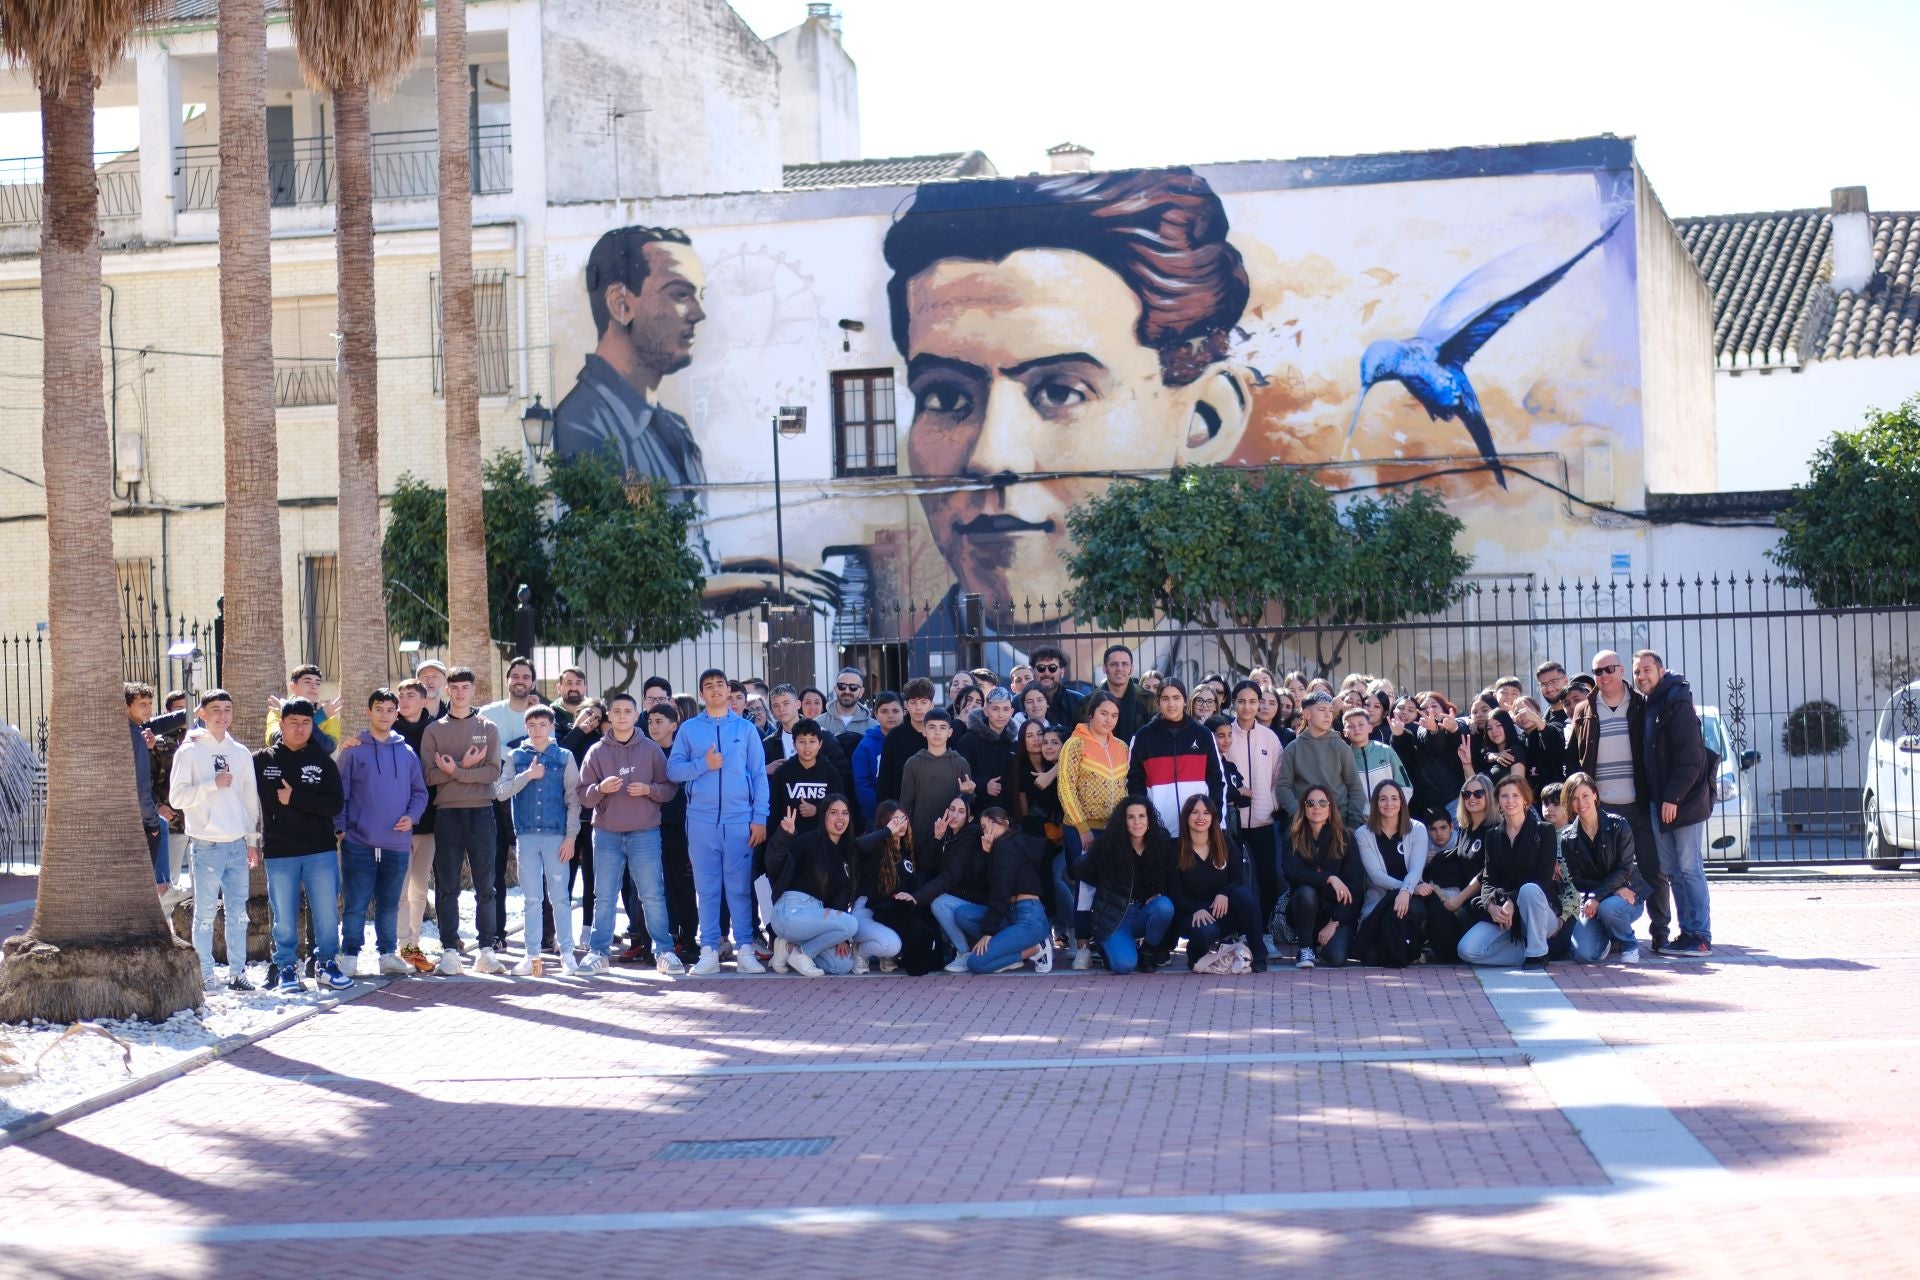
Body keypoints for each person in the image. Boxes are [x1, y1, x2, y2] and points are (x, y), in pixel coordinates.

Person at [886, 168, 1251, 621]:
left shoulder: (1246, 676)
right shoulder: (910, 677)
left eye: (1061, 391)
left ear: (1204, 419)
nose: (992, 457)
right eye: (944, 397)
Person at [553, 226, 709, 508]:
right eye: (681, 294)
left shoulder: (677, 429)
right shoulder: (582, 424)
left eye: (700, 295)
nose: (699, 313)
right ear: (620, 304)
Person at [666, 668, 771, 975]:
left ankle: (745, 950)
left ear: (729, 692)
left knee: (739, 888)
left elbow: (760, 775)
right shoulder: (688, 730)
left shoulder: (746, 729)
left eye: (720, 685)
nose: (715, 690)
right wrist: (703, 764)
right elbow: (673, 771)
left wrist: (760, 818)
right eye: (708, 686)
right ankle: (709, 950)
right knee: (708, 888)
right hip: (701, 821)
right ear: (701, 694)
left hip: (740, 820)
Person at [1567, 649, 1671, 952]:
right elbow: (1574, 759)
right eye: (1598, 672)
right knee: (1605, 870)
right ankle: (1610, 930)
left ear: (1622, 670)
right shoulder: (1584, 709)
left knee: (1653, 868)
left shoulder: (1642, 704)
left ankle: (1661, 932)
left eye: (1609, 669)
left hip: (1638, 804)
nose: (1604, 676)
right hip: (1601, 809)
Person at [575, 693, 679, 974]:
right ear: (609, 715)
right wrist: (600, 789)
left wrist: (649, 790)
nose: (622, 716)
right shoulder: (596, 752)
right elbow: (583, 796)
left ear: (636, 715)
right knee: (604, 895)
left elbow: (669, 788)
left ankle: (664, 951)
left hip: (645, 832)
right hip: (607, 834)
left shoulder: (651, 750)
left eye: (628, 711)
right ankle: (599, 952)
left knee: (652, 894)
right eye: (617, 711)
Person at [254, 698, 349, 993]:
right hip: (280, 851)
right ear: (281, 724)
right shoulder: (261, 761)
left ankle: (326, 965)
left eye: (306, 723)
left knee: (326, 913)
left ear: (313, 725)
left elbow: (334, 804)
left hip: (320, 850)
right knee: (283, 914)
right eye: (293, 722)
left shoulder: (323, 760)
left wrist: (295, 798)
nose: (299, 728)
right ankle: (285, 969)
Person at [171, 690, 261, 990]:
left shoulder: (241, 753)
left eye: (227, 710)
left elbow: (250, 799)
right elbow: (177, 796)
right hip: (206, 843)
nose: (222, 716)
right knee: (205, 913)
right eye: (216, 710)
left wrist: (252, 839)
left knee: (239, 913)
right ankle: (206, 974)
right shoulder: (189, 751)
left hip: (236, 844)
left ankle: (238, 973)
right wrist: (212, 785)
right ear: (202, 714)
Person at [336, 688, 429, 977]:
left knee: (389, 904)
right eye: (379, 709)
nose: (385, 715)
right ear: (369, 712)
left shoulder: (407, 752)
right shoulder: (353, 751)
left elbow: (419, 792)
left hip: (396, 844)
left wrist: (412, 817)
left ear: (396, 713)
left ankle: (387, 954)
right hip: (358, 842)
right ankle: (350, 955)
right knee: (356, 903)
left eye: (391, 710)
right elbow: (341, 793)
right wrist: (341, 829)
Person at [421, 667, 505, 976]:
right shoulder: (434, 730)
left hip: (482, 812)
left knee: (486, 886)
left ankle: (486, 949)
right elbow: (428, 774)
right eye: (453, 687)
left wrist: (455, 771)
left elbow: (493, 772)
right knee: (448, 887)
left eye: (464, 687)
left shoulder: (488, 727)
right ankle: (450, 951)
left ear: (473, 690)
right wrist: (465, 767)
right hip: (447, 815)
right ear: (447, 690)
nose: (458, 692)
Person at [1634, 650, 1716, 958]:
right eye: (1637, 672)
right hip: (1660, 801)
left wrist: (1673, 797)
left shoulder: (1676, 700)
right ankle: (1687, 933)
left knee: (1688, 867)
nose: (1641, 676)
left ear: (1661, 670)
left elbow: (1691, 757)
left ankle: (1701, 935)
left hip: (1682, 802)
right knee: (1672, 869)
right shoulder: (1650, 703)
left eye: (1646, 670)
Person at [494, 704, 582, 976]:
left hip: (557, 835)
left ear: (552, 726)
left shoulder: (564, 756)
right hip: (527, 836)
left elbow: (574, 799)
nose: (537, 730)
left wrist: (571, 837)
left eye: (543, 725)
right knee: (531, 898)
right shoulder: (516, 756)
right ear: (525, 728)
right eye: (531, 726)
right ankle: (532, 956)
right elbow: (501, 792)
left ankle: (567, 952)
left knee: (560, 897)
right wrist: (528, 776)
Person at [1458, 777, 1574, 968]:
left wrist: (1512, 899)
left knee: (1529, 889)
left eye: (1515, 795)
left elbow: (1543, 879)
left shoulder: (1544, 831)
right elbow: (1489, 879)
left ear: (1525, 800)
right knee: (1468, 950)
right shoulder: (1493, 835)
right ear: (1498, 802)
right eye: (1504, 796)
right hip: (1505, 914)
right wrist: (1489, 905)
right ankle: (1529, 951)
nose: (1510, 800)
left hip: (1540, 911)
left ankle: (1537, 954)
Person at [1058, 691, 1131, 968]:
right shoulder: (1075, 744)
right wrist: (1082, 828)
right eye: (1104, 713)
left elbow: (1124, 788)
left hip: (1113, 832)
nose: (1108, 720)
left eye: (1114, 715)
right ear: (1091, 714)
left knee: (1112, 885)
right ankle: (1082, 947)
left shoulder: (1122, 747)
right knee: (1086, 887)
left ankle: (1105, 941)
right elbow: (1066, 788)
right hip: (1082, 830)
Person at [1070, 796, 1178, 974]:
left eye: (1142, 816)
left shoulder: (1159, 843)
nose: (1137, 822)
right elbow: (1078, 868)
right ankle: (1106, 946)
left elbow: (1168, 877)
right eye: (1131, 817)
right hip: (1114, 918)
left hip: (1142, 912)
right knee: (1124, 966)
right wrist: (1106, 885)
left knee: (1164, 906)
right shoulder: (1109, 845)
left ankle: (1147, 951)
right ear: (1123, 821)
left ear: (1149, 819)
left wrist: (1158, 892)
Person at [478, 657, 541, 954]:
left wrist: (507, 753)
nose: (520, 680)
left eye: (525, 676)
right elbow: (484, 747)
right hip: (496, 798)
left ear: (532, 681)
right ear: (506, 680)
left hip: (534, 798)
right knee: (494, 871)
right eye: (514, 675)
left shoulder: (542, 713)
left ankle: (543, 935)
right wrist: (517, 753)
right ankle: (495, 933)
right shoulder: (488, 713)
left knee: (536, 870)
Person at [764, 796, 863, 977]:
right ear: (823, 816)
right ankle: (803, 953)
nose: (840, 818)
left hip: (815, 918)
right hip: (791, 911)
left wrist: (841, 937)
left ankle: (788, 947)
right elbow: (773, 865)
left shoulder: (847, 853)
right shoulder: (807, 842)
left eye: (845, 813)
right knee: (851, 924)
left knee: (841, 965)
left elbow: (841, 897)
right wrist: (783, 836)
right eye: (833, 813)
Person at [1173, 794, 1267, 972]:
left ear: (1213, 817)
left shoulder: (1224, 842)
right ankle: (1195, 952)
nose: (1201, 817)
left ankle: (1259, 953)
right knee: (1206, 931)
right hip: (1193, 913)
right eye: (1195, 812)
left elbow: (1238, 879)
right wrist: (1195, 908)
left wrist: (1224, 892)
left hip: (1222, 909)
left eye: (1206, 813)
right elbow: (1175, 893)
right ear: (1186, 817)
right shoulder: (1175, 849)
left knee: (1244, 895)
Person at [1558, 771, 1643, 963]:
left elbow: (1624, 868)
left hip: (1628, 896)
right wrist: (1609, 891)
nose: (1581, 803)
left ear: (1595, 795)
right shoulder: (1567, 838)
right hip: (1599, 899)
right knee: (1583, 954)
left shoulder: (1619, 825)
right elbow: (1576, 880)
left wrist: (1599, 896)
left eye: (1585, 795)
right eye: (1575, 798)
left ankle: (1629, 944)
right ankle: (1608, 940)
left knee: (1609, 908)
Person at [1127, 679, 1225, 840]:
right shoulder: (1143, 737)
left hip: (1198, 830)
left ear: (1185, 701)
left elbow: (1216, 780)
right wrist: (1148, 823)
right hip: (1158, 832)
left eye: (1176, 698)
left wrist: (1215, 818)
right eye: (1165, 698)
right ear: (1158, 702)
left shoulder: (1203, 734)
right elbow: (1134, 785)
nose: (1171, 704)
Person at [964, 806, 1055, 974]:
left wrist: (988, 932)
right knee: (963, 914)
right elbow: (981, 885)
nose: (988, 829)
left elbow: (1000, 891)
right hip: (1011, 914)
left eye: (993, 823)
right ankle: (1006, 950)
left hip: (1028, 918)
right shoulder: (1000, 847)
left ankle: (1037, 949)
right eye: (984, 827)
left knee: (976, 963)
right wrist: (986, 853)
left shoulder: (1006, 846)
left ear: (1006, 824)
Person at [1283, 783, 1363, 968]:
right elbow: (1292, 873)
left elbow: (1355, 886)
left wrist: (1334, 922)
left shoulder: (1346, 838)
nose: (1316, 807)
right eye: (1310, 803)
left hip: (1338, 912)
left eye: (1322, 803)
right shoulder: (1293, 837)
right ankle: (1305, 947)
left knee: (1336, 957)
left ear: (1330, 807)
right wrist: (1329, 878)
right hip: (1304, 909)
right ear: (1303, 808)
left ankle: (1323, 945)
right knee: (1306, 892)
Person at [391, 677, 441, 974]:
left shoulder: (436, 730)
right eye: (402, 695)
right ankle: (402, 946)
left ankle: (414, 945)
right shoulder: (388, 730)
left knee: (420, 888)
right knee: (399, 888)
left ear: (424, 700)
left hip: (430, 821)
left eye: (412, 695)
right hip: (395, 823)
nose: (405, 700)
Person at [1352, 781, 1430, 968]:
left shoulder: (1417, 829)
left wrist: (1407, 892)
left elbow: (1416, 869)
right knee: (1371, 954)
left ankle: (1412, 948)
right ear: (1375, 803)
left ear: (1402, 802)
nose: (1389, 804)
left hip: (1411, 897)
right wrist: (1405, 889)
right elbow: (1376, 875)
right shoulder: (1363, 834)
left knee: (1411, 914)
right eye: (1383, 799)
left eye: (1394, 798)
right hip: (1380, 897)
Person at [852, 802, 935, 973]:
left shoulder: (906, 851)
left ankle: (885, 954)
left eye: (903, 819)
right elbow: (858, 845)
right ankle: (859, 951)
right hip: (866, 910)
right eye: (894, 820)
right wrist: (887, 831)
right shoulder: (876, 847)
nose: (901, 824)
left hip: (887, 911)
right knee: (891, 945)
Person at [646, 702, 699, 964]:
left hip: (681, 828)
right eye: (650, 722)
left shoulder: (684, 754)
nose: (654, 726)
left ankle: (688, 940)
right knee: (654, 887)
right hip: (650, 826)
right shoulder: (644, 751)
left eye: (659, 721)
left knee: (683, 886)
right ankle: (658, 941)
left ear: (674, 725)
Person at [126, 683, 189, 895]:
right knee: (155, 882)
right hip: (145, 817)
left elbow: (159, 723)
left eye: (150, 703)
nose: (147, 708)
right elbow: (142, 784)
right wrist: (153, 820)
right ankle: (164, 892)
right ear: (126, 707)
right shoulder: (134, 735)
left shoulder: (137, 729)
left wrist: (193, 712)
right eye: (142, 704)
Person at [915, 794, 991, 968]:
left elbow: (952, 875)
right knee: (935, 899)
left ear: (969, 817)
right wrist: (936, 838)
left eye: (961, 811)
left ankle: (964, 953)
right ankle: (955, 949)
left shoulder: (971, 836)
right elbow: (925, 864)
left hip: (976, 901)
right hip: (958, 896)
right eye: (952, 809)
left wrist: (918, 897)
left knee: (938, 903)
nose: (955, 815)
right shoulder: (945, 832)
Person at [1277, 691, 1364, 835]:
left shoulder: (1340, 746)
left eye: (1330, 710)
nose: (1328, 714)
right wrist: (1298, 815)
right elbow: (1283, 787)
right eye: (1322, 710)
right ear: (1307, 714)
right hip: (1304, 829)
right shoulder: (1293, 749)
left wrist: (1352, 824)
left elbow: (1355, 787)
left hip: (1338, 824)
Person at [900, 709, 976, 850]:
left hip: (953, 839)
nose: (937, 732)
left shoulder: (961, 763)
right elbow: (906, 805)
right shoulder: (913, 763)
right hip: (920, 836)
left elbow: (968, 807)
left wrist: (968, 793)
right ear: (924, 731)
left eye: (942, 727)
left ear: (950, 732)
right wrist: (907, 839)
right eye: (932, 727)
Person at [1414, 806, 1480, 964]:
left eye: (1443, 828)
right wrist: (1424, 862)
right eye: (1433, 829)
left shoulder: (1462, 842)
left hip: (1462, 897)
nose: (1439, 834)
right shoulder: (1422, 846)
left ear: (1451, 827)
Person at [769, 717, 853, 836]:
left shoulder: (830, 772)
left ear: (820, 744)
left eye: (812, 741)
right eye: (802, 741)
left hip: (822, 839)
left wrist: (817, 810)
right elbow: (774, 810)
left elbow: (841, 806)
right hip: (789, 840)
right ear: (794, 744)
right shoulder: (782, 772)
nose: (807, 746)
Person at [1403, 692, 1469, 818]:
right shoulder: (1417, 729)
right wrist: (1433, 730)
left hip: (1454, 799)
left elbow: (1461, 736)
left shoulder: (1458, 725)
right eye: (1423, 708)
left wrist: (1454, 728)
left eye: (1434, 706)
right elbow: (1433, 743)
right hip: (1427, 804)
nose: (1429, 710)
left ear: (1444, 709)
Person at [955, 686, 1020, 807]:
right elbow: (959, 777)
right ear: (985, 711)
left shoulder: (1014, 744)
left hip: (1008, 815)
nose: (1001, 715)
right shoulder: (968, 741)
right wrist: (983, 786)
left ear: (1011, 712)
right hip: (977, 813)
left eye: (1005, 709)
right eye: (995, 709)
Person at [877, 678, 935, 806]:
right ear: (906, 705)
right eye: (913, 702)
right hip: (901, 809)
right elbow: (885, 779)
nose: (918, 707)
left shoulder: (940, 734)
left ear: (931, 704)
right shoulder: (895, 736)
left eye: (923, 702)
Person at [266, 664, 344, 753]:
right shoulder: (277, 711)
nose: (314, 686)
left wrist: (321, 716)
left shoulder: (330, 717)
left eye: (318, 683)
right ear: (293, 686)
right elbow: (273, 740)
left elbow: (327, 747)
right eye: (308, 682)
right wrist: (319, 718)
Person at [852, 691, 902, 818]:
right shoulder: (865, 746)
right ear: (876, 714)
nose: (890, 715)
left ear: (904, 712)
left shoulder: (909, 740)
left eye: (895, 711)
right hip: (877, 816)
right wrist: (884, 811)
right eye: (884, 711)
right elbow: (862, 785)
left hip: (908, 813)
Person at [1344, 706, 1410, 803]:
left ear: (1370, 728)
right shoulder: (1344, 758)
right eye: (1350, 726)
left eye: (1361, 724)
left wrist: (1395, 808)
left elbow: (1405, 786)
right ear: (1345, 732)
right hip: (1359, 817)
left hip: (1389, 813)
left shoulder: (1386, 751)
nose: (1356, 729)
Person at [1092, 644, 1154, 741]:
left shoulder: (1149, 700)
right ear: (1104, 668)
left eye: (1125, 664)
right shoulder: (1088, 702)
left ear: (1131, 668)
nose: (1120, 668)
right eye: (1114, 664)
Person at [1512, 696, 1567, 798]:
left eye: (1527, 710)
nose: (1523, 715)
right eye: (1517, 713)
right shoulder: (1519, 740)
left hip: (1554, 796)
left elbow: (1553, 738)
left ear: (1539, 713)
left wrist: (1536, 720)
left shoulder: (1554, 727)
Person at [821, 667, 875, 737]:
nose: (847, 691)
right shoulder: (819, 723)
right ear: (836, 689)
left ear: (861, 692)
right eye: (842, 686)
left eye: (853, 687)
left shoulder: (873, 727)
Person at [1536, 660, 1572, 727]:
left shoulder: (1578, 712)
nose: (1550, 689)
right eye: (1544, 684)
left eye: (1554, 682)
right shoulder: (1543, 720)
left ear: (1566, 681)